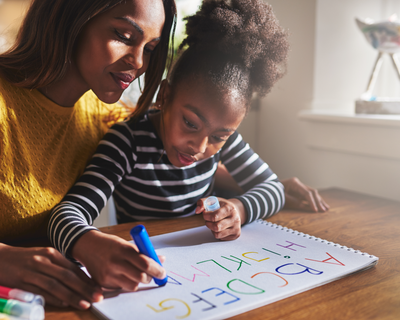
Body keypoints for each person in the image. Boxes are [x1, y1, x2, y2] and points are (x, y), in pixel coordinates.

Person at [48, 0, 327, 296]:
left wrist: (240, 209)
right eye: (190, 123)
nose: (200, 146)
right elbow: (66, 214)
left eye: (220, 135)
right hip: (149, 269)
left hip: (203, 269)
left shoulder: (221, 141)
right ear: (165, 95)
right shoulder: (126, 142)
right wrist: (89, 242)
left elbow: (273, 188)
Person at [0, 0, 176, 309]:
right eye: (123, 35)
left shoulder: (103, 115)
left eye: (149, 48)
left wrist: (263, 188)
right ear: (71, 17)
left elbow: (175, 149)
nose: (138, 62)